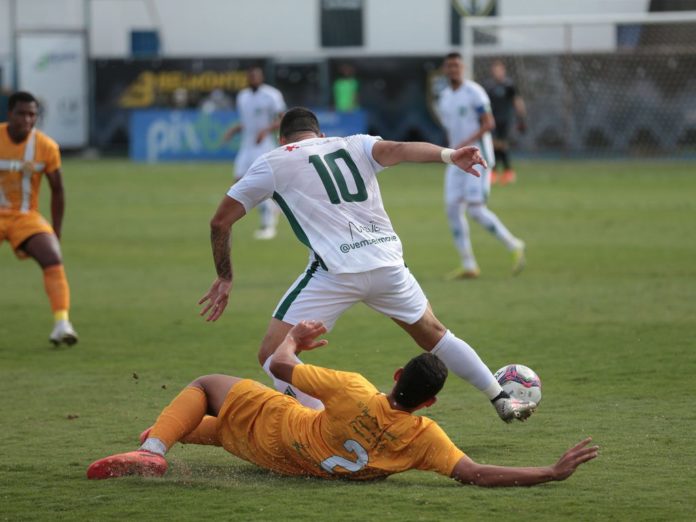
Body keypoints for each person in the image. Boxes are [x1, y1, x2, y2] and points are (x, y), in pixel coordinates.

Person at [199, 107, 535, 422]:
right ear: (320, 133)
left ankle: (323, 422)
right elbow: (401, 149)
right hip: (386, 263)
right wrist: (449, 155)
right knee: (436, 335)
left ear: (282, 140)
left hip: (335, 273)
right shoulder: (355, 143)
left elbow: (219, 222)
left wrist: (225, 277)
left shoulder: (273, 161)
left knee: (272, 356)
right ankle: (499, 396)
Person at [86, 320, 598, 484]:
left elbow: (279, 365)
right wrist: (550, 472)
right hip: (299, 466)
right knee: (222, 429)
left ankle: (155, 448)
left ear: (398, 375)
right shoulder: (426, 439)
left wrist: (297, 342)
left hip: (279, 436)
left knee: (208, 387)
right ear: (432, 403)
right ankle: (167, 433)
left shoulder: (353, 389)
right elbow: (478, 474)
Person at [437, 52, 525, 279]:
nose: (453, 70)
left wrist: (464, 144)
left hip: (478, 157)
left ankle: (514, 245)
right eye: (450, 66)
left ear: (463, 68)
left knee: (475, 209)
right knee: (452, 209)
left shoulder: (474, 92)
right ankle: (468, 265)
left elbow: (489, 123)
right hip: (455, 159)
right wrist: (453, 150)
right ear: (445, 70)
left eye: (457, 66)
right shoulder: (445, 97)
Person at [0, 91, 78, 346]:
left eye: (32, 114)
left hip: (25, 216)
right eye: (21, 113)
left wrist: (56, 230)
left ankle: (62, 324)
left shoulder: (46, 146)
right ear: (9, 114)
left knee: (52, 257)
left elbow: (58, 189)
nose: (27, 119)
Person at [221, 66, 286, 240]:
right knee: (239, 182)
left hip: (263, 146)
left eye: (256, 76)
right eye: (250, 76)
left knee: (259, 183)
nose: (253, 79)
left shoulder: (271, 95)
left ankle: (268, 225)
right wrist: (234, 130)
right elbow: (247, 122)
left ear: (261, 77)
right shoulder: (243, 96)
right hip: (247, 146)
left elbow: (283, 118)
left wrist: (265, 130)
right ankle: (274, 208)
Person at [483, 59, 527, 186]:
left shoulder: (509, 86)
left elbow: (517, 101)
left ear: (503, 70)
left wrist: (521, 119)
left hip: (506, 120)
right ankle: (501, 172)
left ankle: (504, 171)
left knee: (502, 145)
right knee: (494, 144)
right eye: (495, 69)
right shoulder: (488, 86)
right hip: (492, 120)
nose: (497, 72)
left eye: (499, 69)